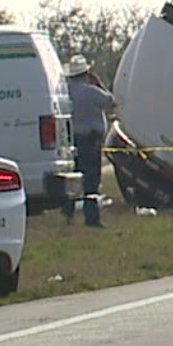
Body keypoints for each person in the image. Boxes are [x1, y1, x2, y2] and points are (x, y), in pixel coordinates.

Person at [63, 54, 115, 228]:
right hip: (91, 140)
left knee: (72, 178)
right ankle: (91, 218)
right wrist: (98, 83)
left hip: (71, 139)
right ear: (86, 74)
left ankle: (68, 214)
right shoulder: (91, 91)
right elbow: (111, 102)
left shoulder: (65, 92)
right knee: (91, 180)